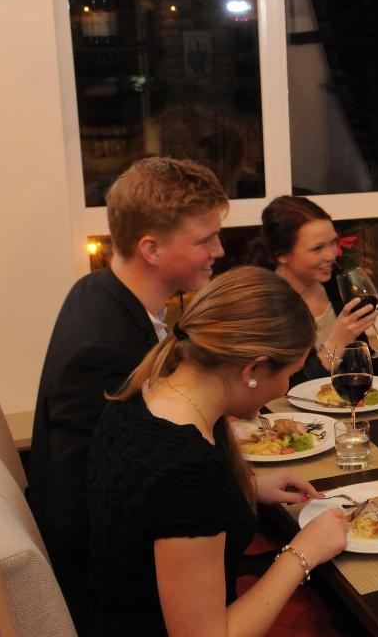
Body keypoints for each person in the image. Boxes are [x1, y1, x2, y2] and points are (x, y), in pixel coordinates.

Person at [88, 266, 348, 636]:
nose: (286, 387)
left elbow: (152, 510)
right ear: (253, 369)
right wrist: (304, 552)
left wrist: (245, 489)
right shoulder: (188, 470)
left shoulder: (141, 394)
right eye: (289, 373)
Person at [27, 157, 228, 629]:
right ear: (151, 248)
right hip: (118, 605)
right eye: (204, 240)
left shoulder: (96, 289)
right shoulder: (104, 351)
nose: (218, 250)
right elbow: (84, 511)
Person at [249, 195, 378, 385]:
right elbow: (288, 387)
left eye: (333, 242)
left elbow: (360, 362)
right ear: (282, 255)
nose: (332, 254)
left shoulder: (334, 282)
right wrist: (338, 340)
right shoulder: (265, 305)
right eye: (317, 248)